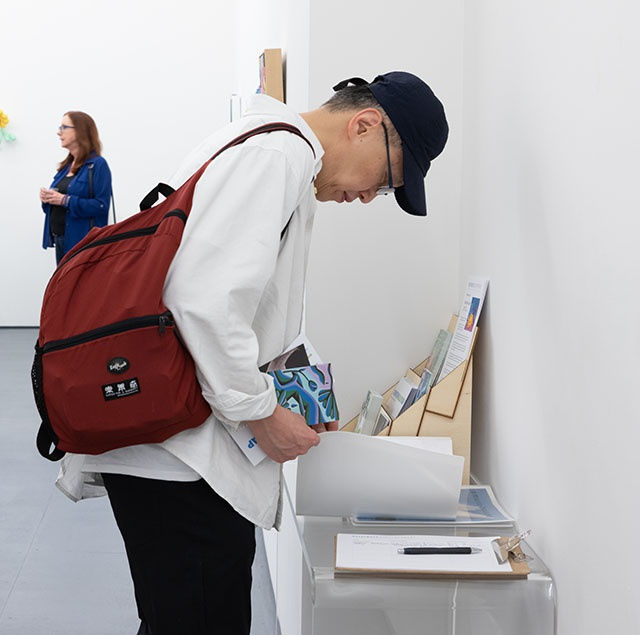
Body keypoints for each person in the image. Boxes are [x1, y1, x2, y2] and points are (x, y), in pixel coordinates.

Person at [56, 72, 449, 634]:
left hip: (175, 436)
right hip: (181, 455)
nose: (367, 197)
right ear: (364, 125)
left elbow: (254, 305)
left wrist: (303, 392)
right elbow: (203, 301)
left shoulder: (264, 142)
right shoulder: (278, 157)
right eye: (386, 180)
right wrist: (262, 413)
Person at [39, 111, 112, 263]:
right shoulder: (65, 167)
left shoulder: (98, 165)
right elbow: (56, 204)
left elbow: (101, 206)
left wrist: (66, 200)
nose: (59, 132)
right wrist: (48, 198)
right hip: (61, 239)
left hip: (82, 243)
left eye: (64, 127)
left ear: (80, 131)